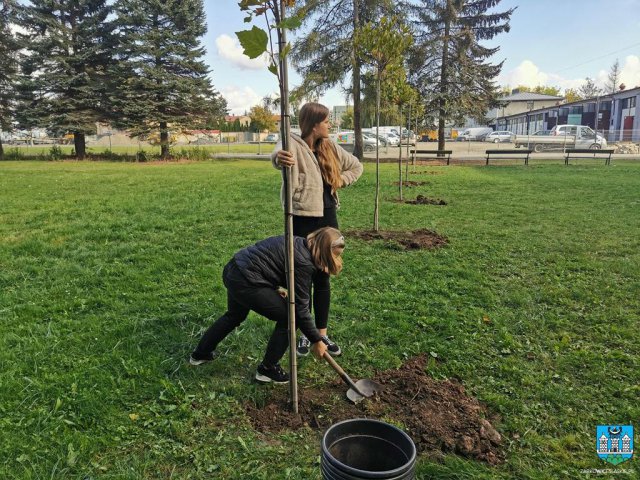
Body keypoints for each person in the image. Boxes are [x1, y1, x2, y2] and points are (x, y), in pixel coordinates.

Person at [189, 227, 346, 384]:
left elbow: (269, 261)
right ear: (325, 250)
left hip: (234, 270)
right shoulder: (304, 262)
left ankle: (201, 353)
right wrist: (317, 340)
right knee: (290, 317)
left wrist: (273, 288)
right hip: (247, 281)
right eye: (333, 255)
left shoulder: (298, 242)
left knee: (235, 315)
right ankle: (268, 369)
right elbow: (300, 310)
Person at [272, 102, 363, 358]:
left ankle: (321, 333)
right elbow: (278, 154)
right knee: (302, 279)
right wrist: (278, 158)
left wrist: (340, 181)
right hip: (301, 218)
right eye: (325, 121)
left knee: (323, 276)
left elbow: (356, 166)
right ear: (313, 123)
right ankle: (305, 333)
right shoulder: (292, 143)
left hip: (328, 220)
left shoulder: (330, 146)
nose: (329, 125)